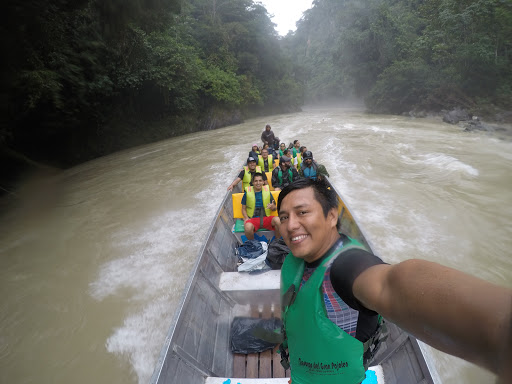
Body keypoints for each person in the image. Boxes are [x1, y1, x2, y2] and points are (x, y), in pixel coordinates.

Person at [276, 178, 512, 384]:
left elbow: (391, 284)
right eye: (284, 217)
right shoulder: (298, 256)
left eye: (302, 212)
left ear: (331, 216)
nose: (291, 225)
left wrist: (501, 329)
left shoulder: (345, 267)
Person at [241, 173, 281, 240]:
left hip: (266, 218)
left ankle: (277, 241)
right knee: (247, 227)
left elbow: (274, 208)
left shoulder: (267, 192)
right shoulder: (247, 193)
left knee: (278, 220)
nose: (258, 183)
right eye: (256, 181)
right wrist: (246, 217)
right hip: (253, 219)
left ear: (263, 182)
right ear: (253, 182)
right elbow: (243, 208)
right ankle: (253, 244)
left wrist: (272, 207)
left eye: (260, 181)